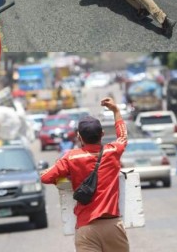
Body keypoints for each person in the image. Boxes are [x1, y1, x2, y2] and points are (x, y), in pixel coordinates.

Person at [41, 97, 129, 252]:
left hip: (86, 228)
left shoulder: (71, 157)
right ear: (102, 134)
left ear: (79, 137)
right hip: (113, 226)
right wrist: (116, 111)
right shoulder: (112, 151)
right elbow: (122, 136)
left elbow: (45, 177)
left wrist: (63, 179)